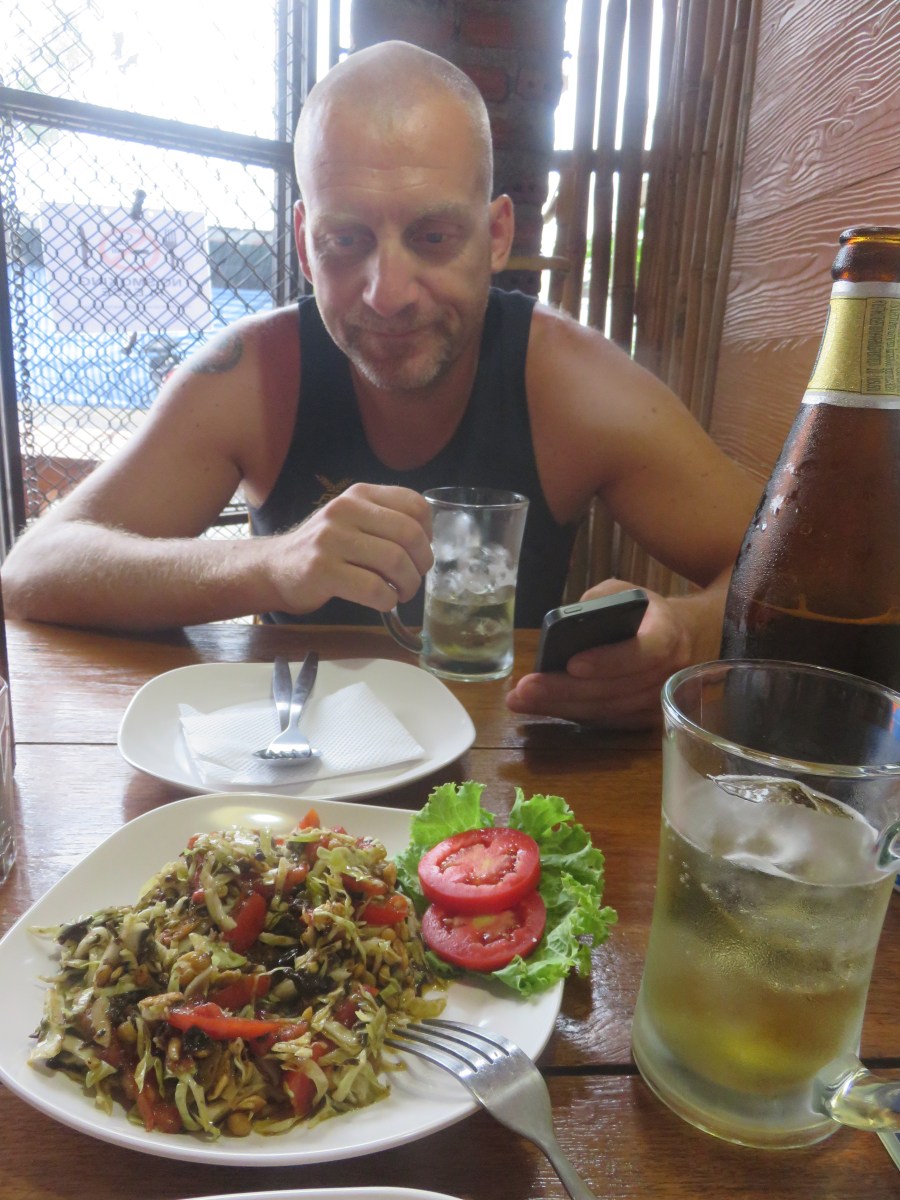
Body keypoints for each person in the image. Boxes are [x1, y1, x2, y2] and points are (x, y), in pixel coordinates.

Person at [1, 40, 760, 729]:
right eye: (346, 240)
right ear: (305, 245)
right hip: (290, 779)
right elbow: (34, 569)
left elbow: (785, 579)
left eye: (433, 237)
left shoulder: (572, 381)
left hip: (501, 784)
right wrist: (271, 565)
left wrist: (685, 633)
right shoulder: (255, 370)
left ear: (496, 235)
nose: (387, 293)